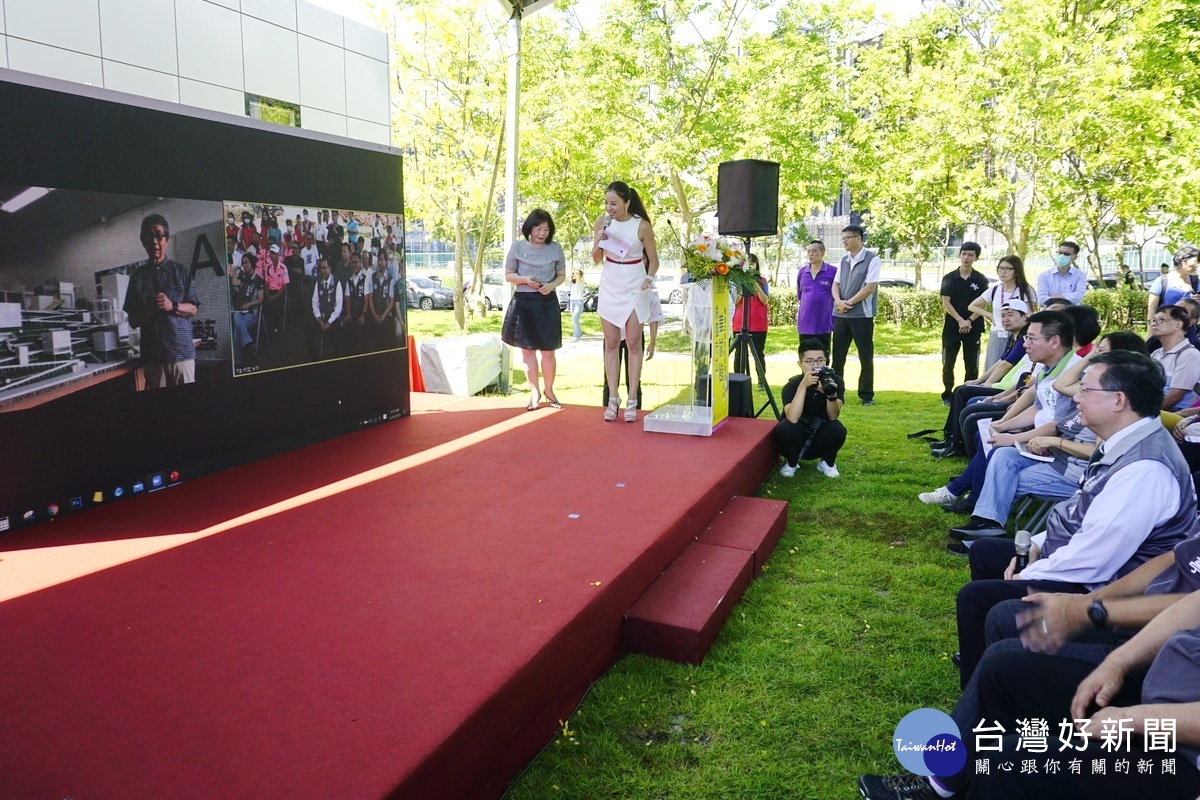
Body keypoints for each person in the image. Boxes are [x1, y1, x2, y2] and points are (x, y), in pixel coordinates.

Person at [953, 350, 1196, 687]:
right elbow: (1080, 511)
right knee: (986, 553)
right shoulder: (1124, 440)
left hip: (1106, 586)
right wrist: (1034, 544)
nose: (1075, 397)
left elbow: (1095, 558)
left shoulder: (1146, 469)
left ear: (1118, 401)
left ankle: (984, 681)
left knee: (977, 598)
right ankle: (982, 655)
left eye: (1085, 389)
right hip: (1087, 562)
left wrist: (1028, 571)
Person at [592, 181, 660, 422]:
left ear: (627, 203)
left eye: (614, 203)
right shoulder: (602, 222)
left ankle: (632, 399)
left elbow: (653, 260)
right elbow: (596, 258)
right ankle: (613, 398)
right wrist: (599, 241)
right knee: (610, 343)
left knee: (633, 342)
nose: (609, 208)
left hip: (634, 282)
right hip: (610, 281)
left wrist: (649, 279)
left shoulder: (641, 226)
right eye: (607, 203)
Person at [930, 299, 1030, 458]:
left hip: (1011, 388)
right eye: (1002, 315)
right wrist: (979, 381)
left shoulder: (1025, 337)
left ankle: (956, 445)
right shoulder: (1014, 336)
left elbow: (1006, 365)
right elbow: (1001, 361)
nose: (1005, 319)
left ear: (1025, 317)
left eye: (1010, 315)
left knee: (962, 393)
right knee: (962, 390)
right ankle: (951, 439)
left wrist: (988, 384)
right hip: (1006, 385)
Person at [123, 214, 200, 388]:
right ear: (143, 241)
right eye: (149, 236)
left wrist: (171, 305)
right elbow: (133, 321)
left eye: (159, 235)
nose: (154, 242)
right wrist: (151, 309)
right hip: (153, 358)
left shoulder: (182, 272)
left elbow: (193, 308)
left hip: (181, 354)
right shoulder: (137, 278)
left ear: (166, 239)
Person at [502, 209, 566, 410]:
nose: (542, 233)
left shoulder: (556, 248)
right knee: (527, 351)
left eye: (546, 229)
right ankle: (534, 393)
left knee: (548, 351)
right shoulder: (518, 247)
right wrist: (525, 280)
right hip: (524, 302)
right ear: (529, 229)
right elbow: (508, 275)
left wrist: (552, 285)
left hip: (547, 302)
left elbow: (561, 275)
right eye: (538, 229)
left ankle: (550, 390)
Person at [775, 339, 846, 479]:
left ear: (826, 361)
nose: (816, 366)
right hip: (794, 439)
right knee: (787, 427)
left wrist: (830, 395)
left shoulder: (835, 381)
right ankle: (791, 463)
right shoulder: (792, 385)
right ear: (800, 364)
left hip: (819, 437)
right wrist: (803, 386)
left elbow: (833, 416)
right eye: (809, 362)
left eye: (820, 361)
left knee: (837, 428)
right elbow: (792, 417)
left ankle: (827, 462)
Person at [831, 225, 881, 405]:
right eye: (843, 238)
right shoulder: (843, 260)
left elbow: (869, 287)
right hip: (840, 315)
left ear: (859, 238)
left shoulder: (872, 259)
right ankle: (836, 393)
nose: (844, 241)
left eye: (848, 238)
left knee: (865, 356)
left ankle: (866, 395)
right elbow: (835, 284)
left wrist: (848, 303)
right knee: (837, 356)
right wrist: (838, 302)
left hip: (862, 316)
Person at [940, 242, 990, 403]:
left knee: (971, 364)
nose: (966, 258)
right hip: (952, 327)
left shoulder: (981, 279)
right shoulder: (949, 278)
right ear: (959, 255)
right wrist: (960, 320)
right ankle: (947, 394)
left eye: (970, 255)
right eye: (964, 254)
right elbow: (946, 302)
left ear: (976, 258)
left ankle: (968, 394)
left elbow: (983, 303)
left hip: (973, 327)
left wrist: (969, 320)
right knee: (948, 362)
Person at [967, 254, 1037, 370]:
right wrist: (990, 315)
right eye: (1000, 268)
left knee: (1013, 370)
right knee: (992, 368)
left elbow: (1030, 314)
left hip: (1019, 335)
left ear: (1016, 271)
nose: (1002, 272)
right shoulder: (995, 289)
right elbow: (972, 306)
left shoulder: (1026, 290)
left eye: (1007, 269)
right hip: (998, 333)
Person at [1148, 304, 1200, 411]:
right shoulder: (1156, 353)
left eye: (1161, 319)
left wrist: (1148, 414)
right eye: (1153, 320)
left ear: (1178, 325)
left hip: (1177, 412)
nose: (1154, 324)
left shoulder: (1189, 354)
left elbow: (1175, 395)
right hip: (1153, 406)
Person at [732, 253, 770, 380]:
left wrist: (755, 285)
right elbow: (734, 302)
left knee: (758, 353)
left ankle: (761, 380)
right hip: (740, 323)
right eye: (748, 263)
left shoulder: (763, 281)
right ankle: (739, 378)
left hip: (758, 324)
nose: (750, 266)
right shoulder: (736, 280)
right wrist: (742, 287)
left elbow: (765, 300)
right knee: (739, 354)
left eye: (753, 263)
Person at [796, 240, 837, 355]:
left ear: (822, 253)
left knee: (823, 357)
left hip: (824, 323)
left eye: (814, 251)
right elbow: (800, 295)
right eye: (808, 251)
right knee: (806, 356)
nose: (810, 254)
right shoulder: (802, 272)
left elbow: (837, 294)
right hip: (805, 323)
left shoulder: (833, 271)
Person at [1147, 245, 1200, 318]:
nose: (1197, 265)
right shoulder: (1161, 281)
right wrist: (1151, 328)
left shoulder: (1196, 282)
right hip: (1165, 327)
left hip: (1190, 328)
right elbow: (1152, 308)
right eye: (1195, 261)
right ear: (1182, 262)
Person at [307, 258, 343, 360]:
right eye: (320, 268)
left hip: (332, 318)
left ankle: (337, 358)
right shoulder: (318, 283)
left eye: (324, 268)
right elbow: (315, 302)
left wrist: (329, 322)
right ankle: (313, 356)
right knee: (309, 328)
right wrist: (318, 319)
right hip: (321, 317)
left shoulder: (337, 283)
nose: (322, 271)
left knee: (337, 332)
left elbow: (338, 307)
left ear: (330, 268)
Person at [229, 251, 264, 355]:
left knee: (237, 328)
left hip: (252, 312)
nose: (245, 265)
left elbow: (261, 299)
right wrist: (235, 271)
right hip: (241, 311)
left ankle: (238, 360)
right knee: (236, 316)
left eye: (247, 262)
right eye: (243, 263)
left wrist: (249, 304)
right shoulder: (243, 277)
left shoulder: (258, 280)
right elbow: (234, 283)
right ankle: (248, 342)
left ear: (252, 263)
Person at [1036, 240, 1087, 305]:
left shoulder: (1080, 275)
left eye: (1066, 254)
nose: (1062, 256)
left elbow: (1078, 296)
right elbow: (1041, 299)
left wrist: (1054, 297)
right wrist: (1067, 297)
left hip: (1072, 313)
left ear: (1075, 257)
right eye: (1060, 253)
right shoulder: (1044, 276)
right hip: (1050, 312)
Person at [366, 256, 398, 351]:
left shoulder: (390, 279)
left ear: (386, 262)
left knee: (385, 344)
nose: (380, 262)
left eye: (382, 260)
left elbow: (391, 301)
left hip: (385, 316)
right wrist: (374, 315)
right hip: (374, 314)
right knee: (374, 344)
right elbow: (370, 298)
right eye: (379, 260)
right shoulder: (373, 277)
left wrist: (383, 316)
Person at [256, 243, 290, 334]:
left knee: (276, 305)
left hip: (279, 292)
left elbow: (285, 285)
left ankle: (276, 328)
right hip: (270, 291)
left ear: (278, 254)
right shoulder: (268, 268)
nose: (273, 256)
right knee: (264, 303)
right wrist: (267, 295)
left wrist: (275, 296)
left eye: (275, 254)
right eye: (271, 253)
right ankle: (266, 327)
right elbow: (266, 283)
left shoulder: (283, 268)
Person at [568, 268, 586, 342]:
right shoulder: (572, 284)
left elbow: (578, 278)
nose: (575, 274)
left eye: (577, 273)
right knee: (574, 319)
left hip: (579, 302)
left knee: (575, 318)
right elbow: (565, 281)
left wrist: (575, 272)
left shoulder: (581, 282)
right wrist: (570, 274)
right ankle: (580, 333)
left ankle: (576, 335)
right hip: (572, 302)